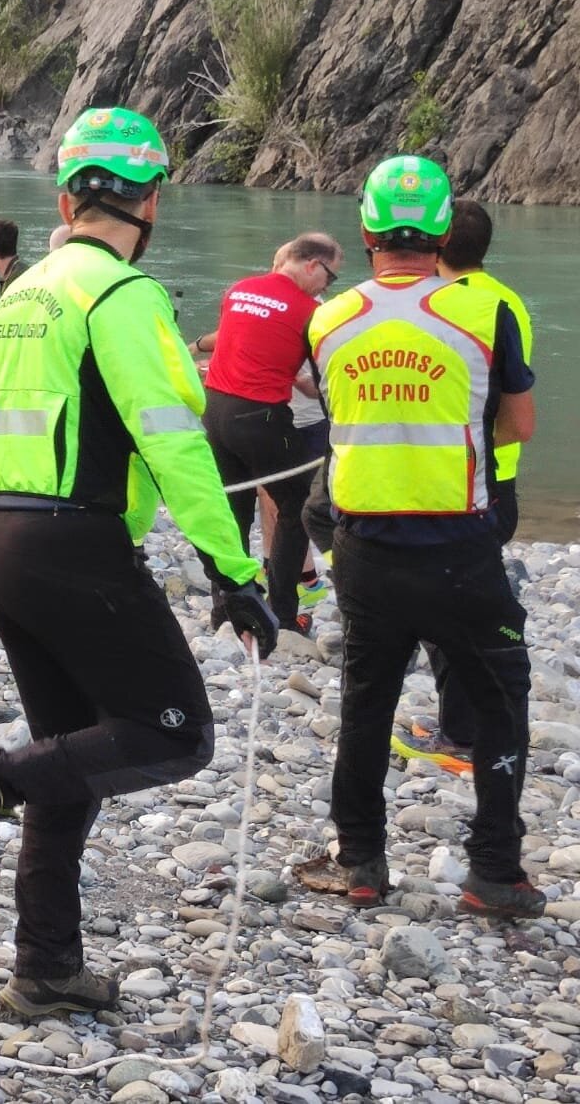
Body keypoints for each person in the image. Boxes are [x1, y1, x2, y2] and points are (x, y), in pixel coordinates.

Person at [0, 106, 278, 1017]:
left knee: (68, 762)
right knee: (174, 733)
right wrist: (234, 571)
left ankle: (45, 966)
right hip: (73, 546)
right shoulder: (121, 294)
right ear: (150, 201)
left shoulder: (27, 289)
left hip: (2, 540)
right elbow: (174, 442)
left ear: (65, 199)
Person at [308, 156, 541, 918]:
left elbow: (336, 408)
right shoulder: (483, 314)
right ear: (443, 233)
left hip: (363, 546)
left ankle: (361, 861)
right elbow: (519, 424)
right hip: (458, 546)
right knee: (500, 697)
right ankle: (495, 871)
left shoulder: (329, 319)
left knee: (367, 700)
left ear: (366, 232)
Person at [394, 199, 535, 767]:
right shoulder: (505, 300)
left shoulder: (450, 305)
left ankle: (461, 735)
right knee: (459, 604)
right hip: (499, 478)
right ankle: (463, 721)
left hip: (464, 484)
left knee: (449, 612)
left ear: (439, 240)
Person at [194, 233, 342, 635]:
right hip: (259, 417)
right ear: (311, 265)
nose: (327, 288)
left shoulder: (239, 290)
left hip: (215, 409)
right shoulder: (311, 311)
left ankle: (227, 607)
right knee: (298, 508)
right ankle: (283, 613)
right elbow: (324, 375)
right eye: (329, 278)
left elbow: (251, 344)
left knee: (234, 509)